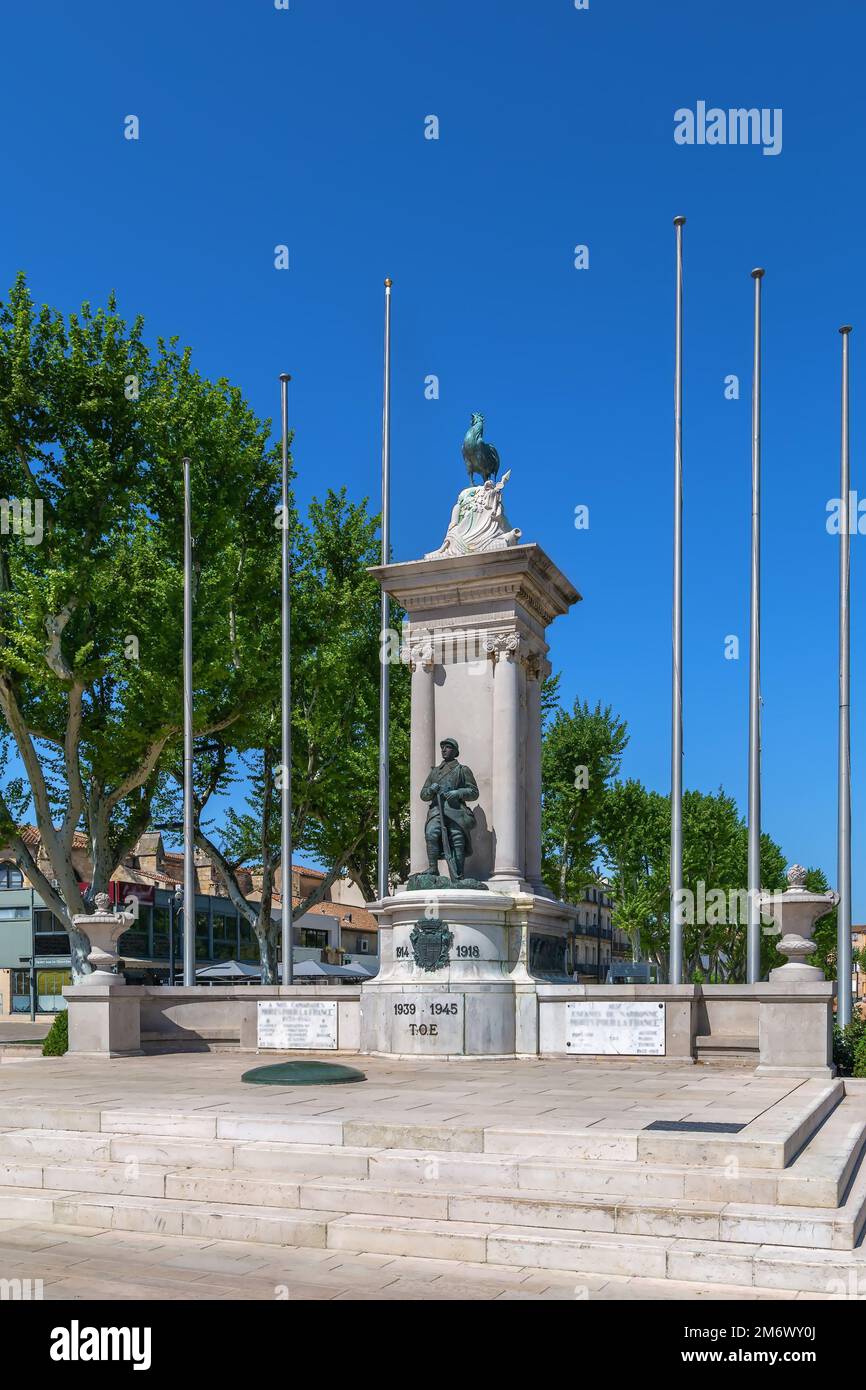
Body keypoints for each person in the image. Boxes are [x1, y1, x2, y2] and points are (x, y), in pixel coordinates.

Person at [420, 737, 479, 878]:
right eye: (443, 747)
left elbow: (474, 792)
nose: (444, 750)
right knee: (431, 834)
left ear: (455, 751)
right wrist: (431, 790)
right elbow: (423, 794)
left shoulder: (462, 770)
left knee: (457, 840)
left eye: (448, 747)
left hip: (455, 811)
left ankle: (458, 874)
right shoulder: (434, 772)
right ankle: (433, 869)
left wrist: (458, 793)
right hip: (436, 811)